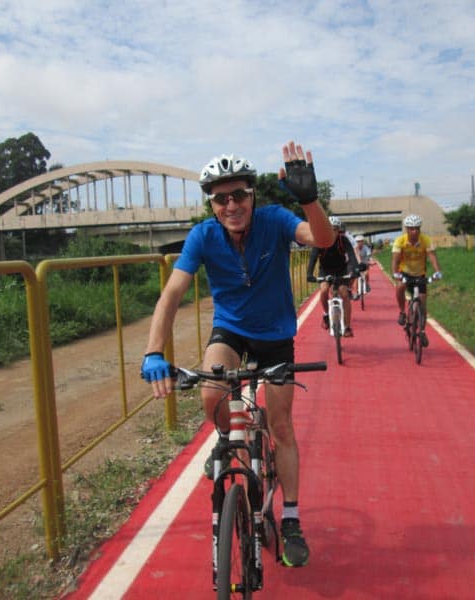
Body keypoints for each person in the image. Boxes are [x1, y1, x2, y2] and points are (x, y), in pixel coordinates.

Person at [140, 141, 334, 568]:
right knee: (212, 393)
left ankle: (291, 519)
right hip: (231, 330)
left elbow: (322, 239)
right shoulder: (203, 236)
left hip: (276, 334)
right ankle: (227, 441)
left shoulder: (275, 219)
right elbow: (172, 294)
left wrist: (309, 200)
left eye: (239, 195)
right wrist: (154, 352)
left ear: (253, 195)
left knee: (281, 425)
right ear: (211, 205)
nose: (231, 205)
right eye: (221, 198)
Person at [391, 214, 442, 347]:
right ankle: (402, 312)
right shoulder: (400, 241)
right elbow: (395, 260)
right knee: (400, 287)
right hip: (405, 272)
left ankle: (422, 331)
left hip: (420, 274)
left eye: (417, 228)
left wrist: (437, 271)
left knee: (423, 305)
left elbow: (432, 256)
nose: (415, 231)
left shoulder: (426, 240)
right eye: (411, 229)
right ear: (407, 229)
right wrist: (395, 273)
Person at [306, 216, 359, 337]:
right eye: (330, 229)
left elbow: (351, 255)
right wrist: (309, 273)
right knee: (324, 290)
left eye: (335, 229)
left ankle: (347, 327)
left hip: (341, 270)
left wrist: (355, 269)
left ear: (338, 230)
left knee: (344, 293)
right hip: (325, 270)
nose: (332, 232)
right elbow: (313, 258)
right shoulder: (319, 241)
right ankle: (326, 314)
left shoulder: (343, 240)